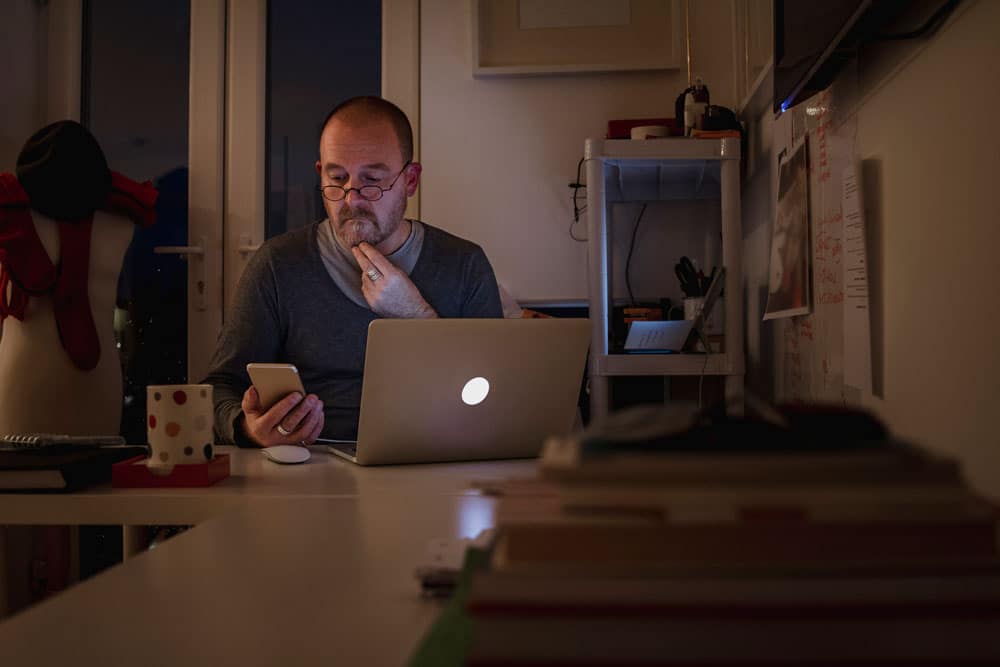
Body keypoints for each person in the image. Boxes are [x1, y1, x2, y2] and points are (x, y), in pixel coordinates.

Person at [202, 96, 502, 447]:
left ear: (410, 180)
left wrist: (415, 317)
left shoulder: (464, 264)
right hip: (309, 465)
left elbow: (494, 397)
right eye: (337, 178)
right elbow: (218, 387)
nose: (351, 199)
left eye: (372, 180)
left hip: (431, 457)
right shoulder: (278, 264)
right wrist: (247, 428)